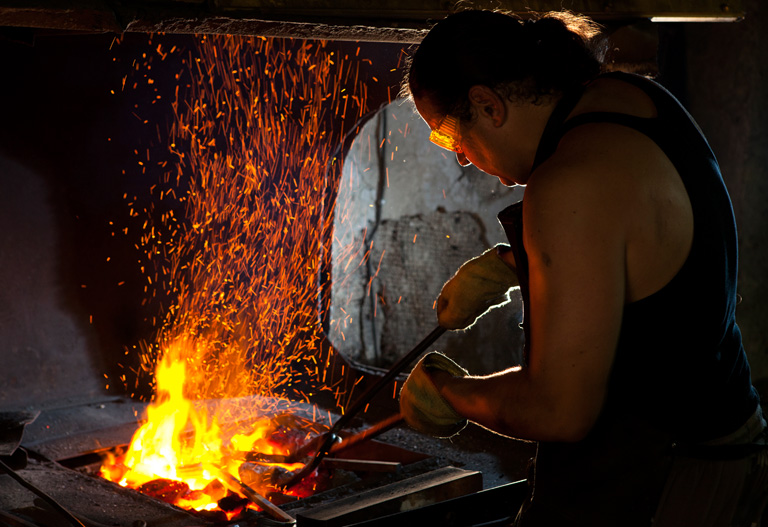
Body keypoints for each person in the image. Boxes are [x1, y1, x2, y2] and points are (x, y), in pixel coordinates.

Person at [397, 9, 768, 526]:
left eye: (448, 137)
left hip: (671, 486)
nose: (459, 157)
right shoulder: (630, 101)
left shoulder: (569, 181)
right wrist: (509, 265)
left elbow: (558, 410)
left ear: (487, 105)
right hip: (730, 445)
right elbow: (640, 246)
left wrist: (450, 394)